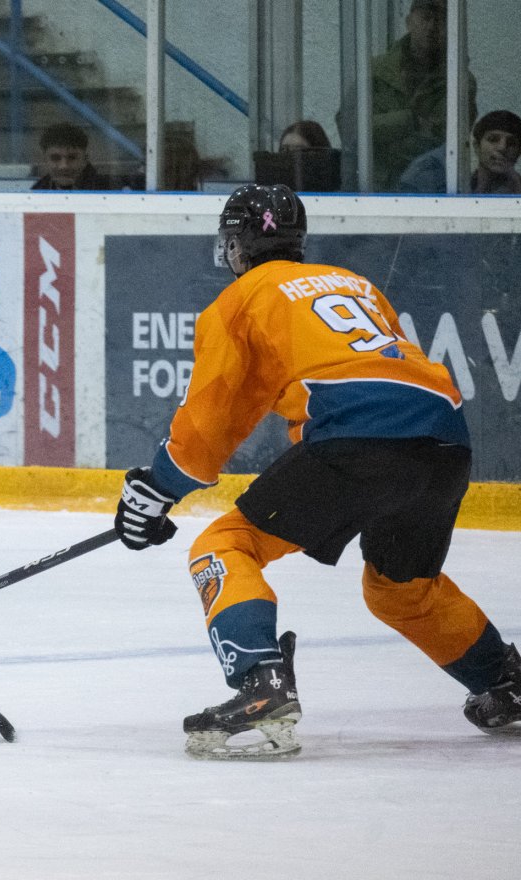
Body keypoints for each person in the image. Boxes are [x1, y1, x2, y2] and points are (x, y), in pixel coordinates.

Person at [112, 183, 521, 760]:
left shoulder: (239, 300)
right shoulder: (352, 283)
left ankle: (262, 684)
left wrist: (156, 489)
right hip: (446, 437)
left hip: (358, 435)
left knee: (226, 545)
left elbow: (210, 425)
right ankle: (506, 679)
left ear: (234, 244)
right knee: (401, 589)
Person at [337, 0, 477, 191]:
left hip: (431, 191)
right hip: (372, 190)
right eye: (425, 18)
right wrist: (410, 120)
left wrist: (380, 143)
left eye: (440, 20)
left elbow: (440, 143)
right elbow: (351, 129)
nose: (431, 27)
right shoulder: (374, 72)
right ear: (409, 21)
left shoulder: (459, 82)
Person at [399, 109, 521, 194]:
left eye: (511, 143)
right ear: (476, 146)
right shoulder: (455, 186)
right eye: (493, 139)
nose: (502, 147)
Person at [31, 122, 110, 191]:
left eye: (72, 158)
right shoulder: (35, 193)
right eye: (55, 158)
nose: (64, 166)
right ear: (45, 160)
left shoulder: (111, 190)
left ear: (85, 160)